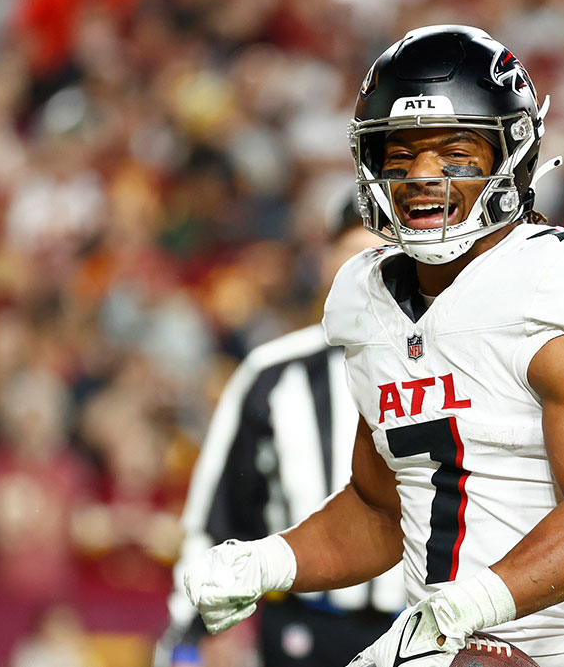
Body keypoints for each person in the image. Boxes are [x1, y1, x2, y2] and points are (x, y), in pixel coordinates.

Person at [184, 25, 564, 667]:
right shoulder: (367, 301)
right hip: (444, 647)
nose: (421, 176)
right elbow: (381, 511)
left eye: (454, 152)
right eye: (401, 154)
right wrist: (265, 562)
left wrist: (461, 609)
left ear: (512, 154)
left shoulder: (556, 285)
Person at [158, 201, 404, 666]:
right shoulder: (273, 373)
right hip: (304, 626)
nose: (369, 273)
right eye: (354, 256)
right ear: (327, 263)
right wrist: (188, 631)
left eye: (384, 256)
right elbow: (220, 515)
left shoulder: (453, 368)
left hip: (421, 627)